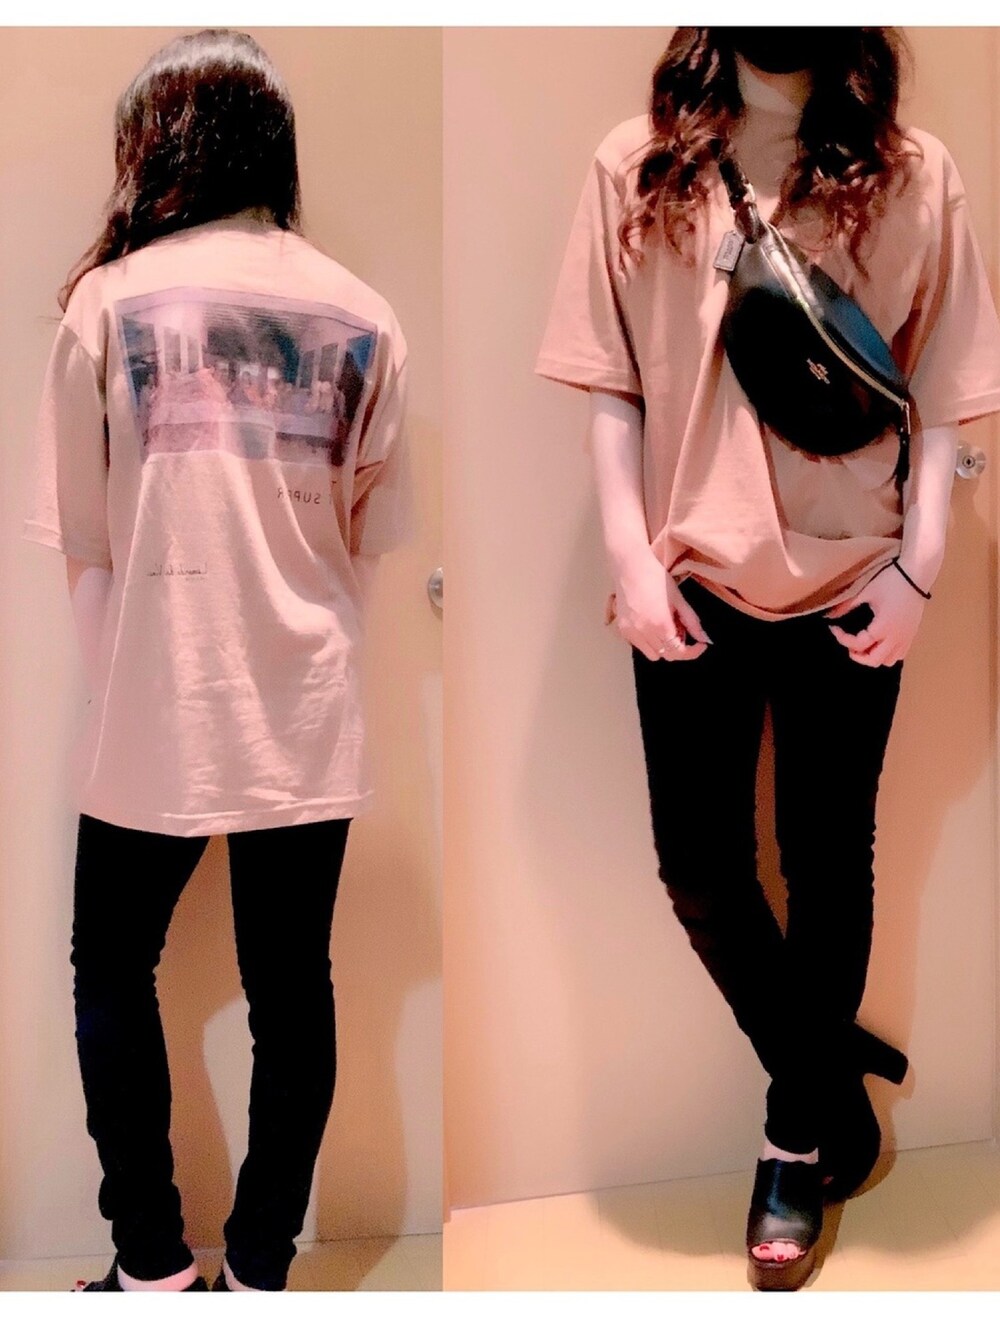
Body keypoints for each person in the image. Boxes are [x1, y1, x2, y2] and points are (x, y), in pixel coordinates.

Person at [536, 26, 1000, 1290]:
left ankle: (793, 1135)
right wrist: (629, 558)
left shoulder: (914, 172)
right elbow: (611, 387)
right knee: (698, 866)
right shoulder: (637, 167)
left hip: (857, 581)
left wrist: (920, 567)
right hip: (688, 576)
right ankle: (830, 1075)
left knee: (826, 859)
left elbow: (943, 390)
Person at [24, 29, 410, 1292]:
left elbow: (86, 546)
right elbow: (366, 545)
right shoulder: (363, 311)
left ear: (157, 141)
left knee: (110, 969)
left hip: (157, 696)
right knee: (293, 988)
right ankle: (256, 1273)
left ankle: (150, 1268)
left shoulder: (107, 302)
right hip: (308, 697)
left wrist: (124, 701)